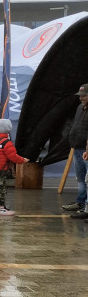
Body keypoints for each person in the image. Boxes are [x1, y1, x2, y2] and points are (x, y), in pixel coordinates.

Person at [0, 118, 28, 216]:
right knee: (1, 189)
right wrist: (22, 160)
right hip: (1, 170)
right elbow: (13, 156)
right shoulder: (7, 143)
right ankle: (1, 209)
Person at [63, 83, 88, 218]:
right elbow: (73, 124)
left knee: (87, 178)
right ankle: (80, 201)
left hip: (86, 149)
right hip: (77, 147)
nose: (81, 98)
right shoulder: (80, 108)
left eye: (84, 96)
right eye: (80, 96)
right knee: (80, 177)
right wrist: (69, 135)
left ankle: (85, 206)